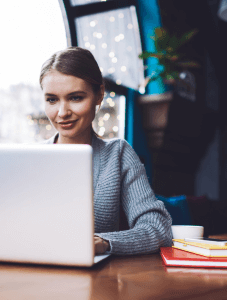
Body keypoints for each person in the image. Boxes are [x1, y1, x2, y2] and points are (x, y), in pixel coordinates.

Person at [39, 46, 173, 255]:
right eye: (52, 100)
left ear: (99, 95)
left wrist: (103, 242)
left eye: (75, 98)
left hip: (98, 280)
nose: (62, 112)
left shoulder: (117, 155)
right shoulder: (32, 160)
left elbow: (158, 229)